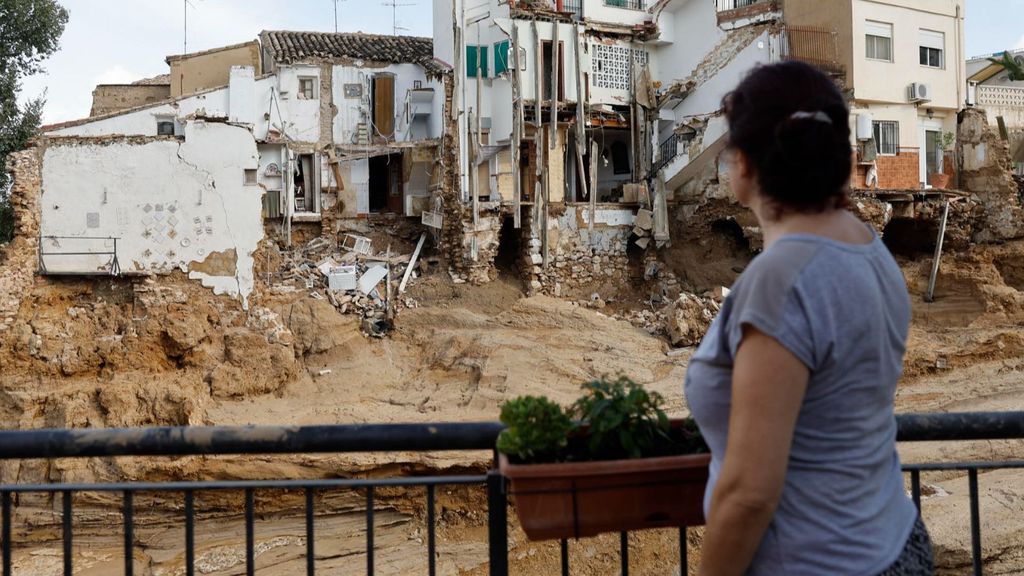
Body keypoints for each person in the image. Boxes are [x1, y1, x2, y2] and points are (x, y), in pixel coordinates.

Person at [684, 61, 933, 575]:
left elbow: (750, 493)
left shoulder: (782, 279)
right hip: (895, 540)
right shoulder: (868, 248)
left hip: (816, 561)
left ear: (745, 165)